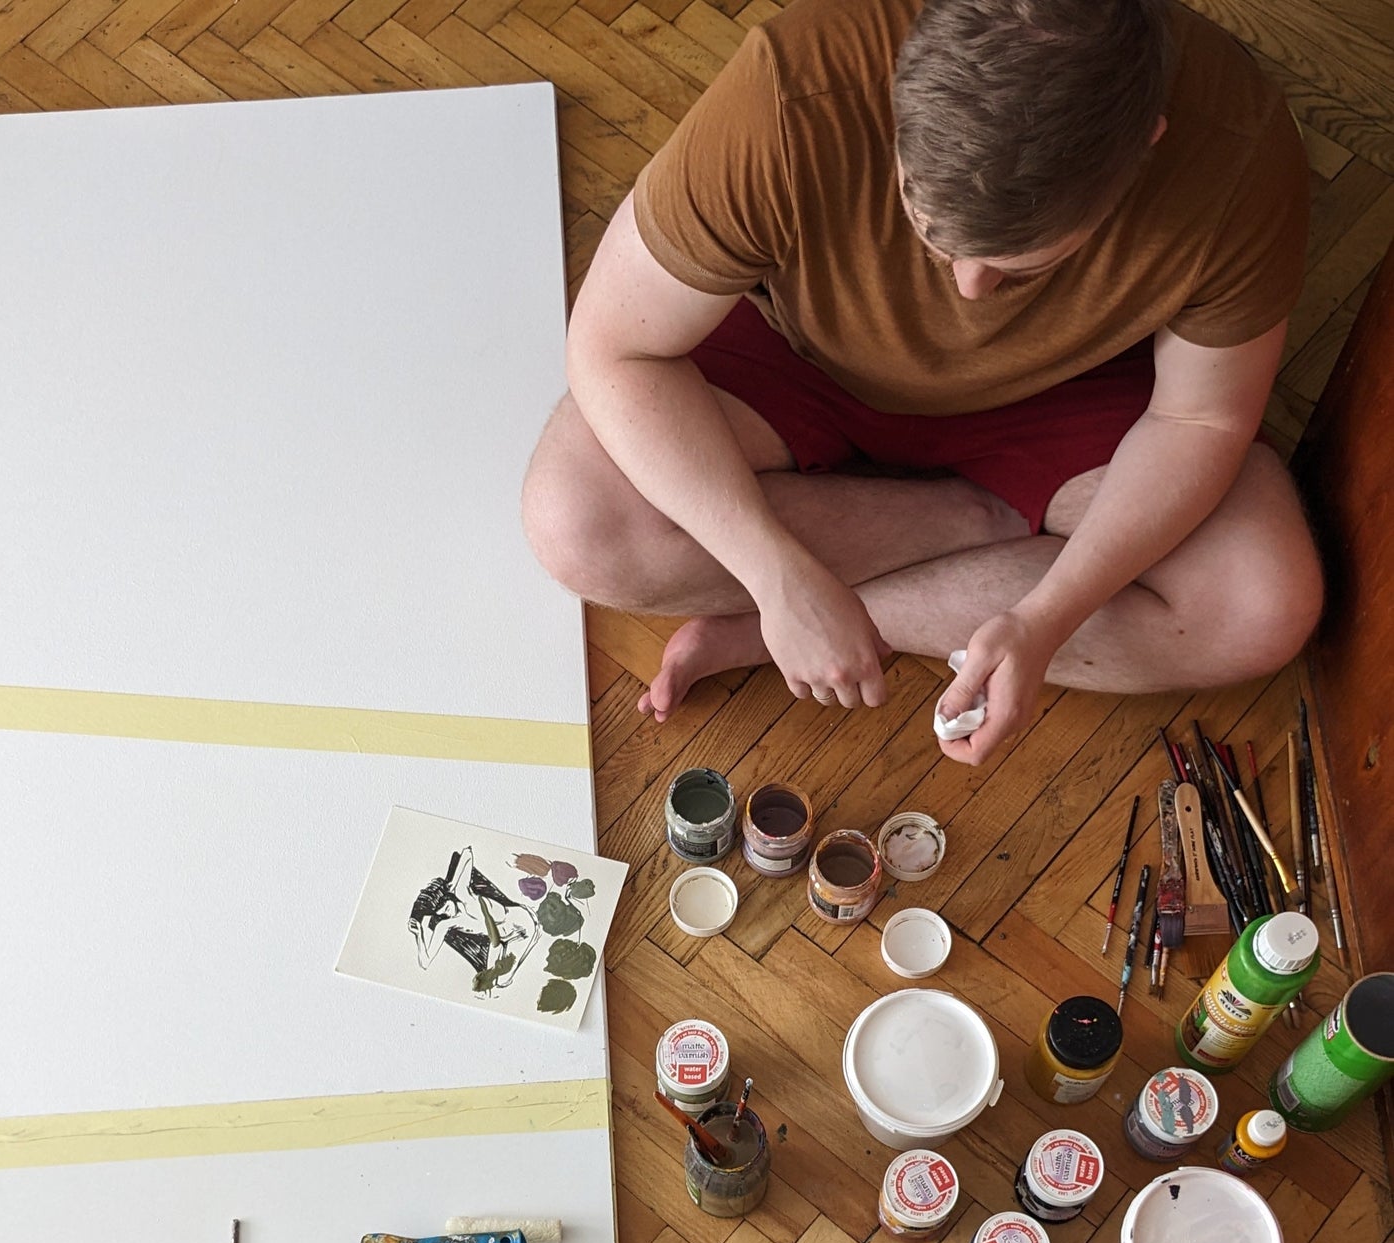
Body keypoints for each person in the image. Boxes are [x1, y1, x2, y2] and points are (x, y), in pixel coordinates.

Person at [521, 0, 1322, 765]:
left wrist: (1045, 619)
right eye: (928, 230)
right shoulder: (796, 87)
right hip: (799, 355)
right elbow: (611, 348)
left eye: (1024, 268)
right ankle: (975, 526)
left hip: (1065, 394)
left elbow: (1197, 421)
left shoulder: (1240, 156)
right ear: (898, 97)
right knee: (578, 523)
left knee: (1260, 605)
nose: (967, 293)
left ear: (1145, 144)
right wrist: (772, 570)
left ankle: (811, 622)